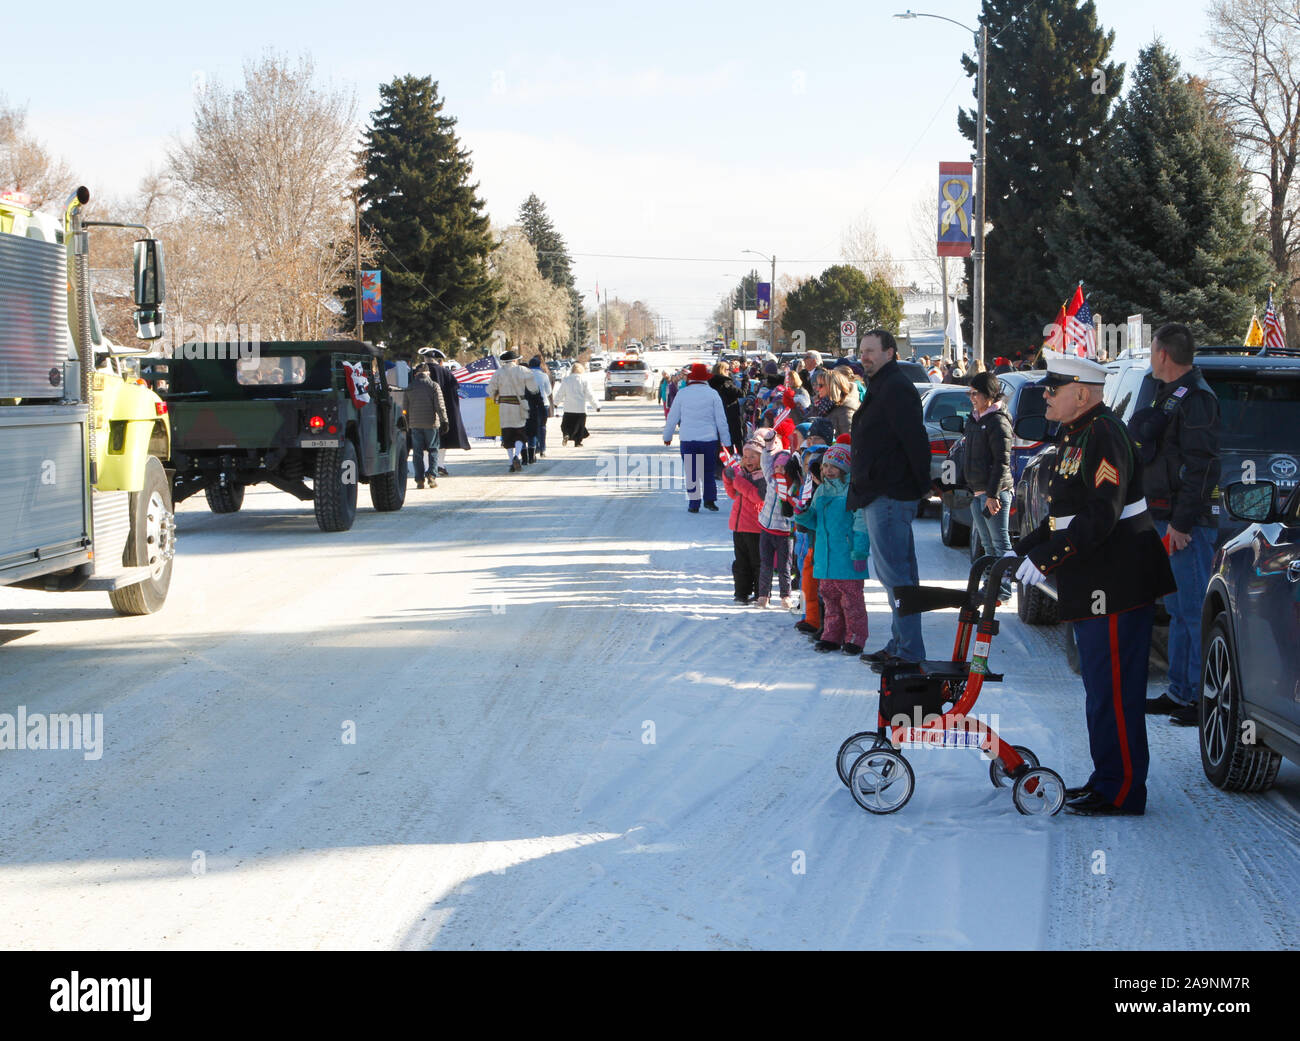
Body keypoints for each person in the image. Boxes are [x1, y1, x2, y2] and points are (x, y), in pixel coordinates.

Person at [1012, 351, 1176, 816]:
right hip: (1097, 583)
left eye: (1053, 388)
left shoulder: (1103, 433)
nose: (1044, 395)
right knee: (1100, 689)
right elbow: (1066, 516)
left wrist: (1049, 557)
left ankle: (1123, 791)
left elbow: (1101, 513)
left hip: (1117, 583)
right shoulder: (1077, 434)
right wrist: (1024, 549)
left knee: (1116, 692)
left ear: (1081, 394)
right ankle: (1107, 779)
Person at [1130, 322, 1220, 726]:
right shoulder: (1168, 393)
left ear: (1163, 354)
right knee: (1177, 608)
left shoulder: (1197, 398)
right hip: (1164, 516)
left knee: (1192, 611)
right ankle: (1180, 690)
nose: (1151, 357)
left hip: (1186, 524)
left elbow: (1203, 466)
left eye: (1152, 351)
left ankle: (1201, 699)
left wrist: (1182, 523)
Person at [847, 329, 931, 664]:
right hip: (880, 494)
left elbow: (915, 440)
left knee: (897, 576)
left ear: (890, 353)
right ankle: (901, 644)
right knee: (897, 576)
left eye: (870, 351)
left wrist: (920, 485)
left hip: (890, 494)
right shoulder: (882, 385)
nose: (864, 356)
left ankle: (909, 651)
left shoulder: (896, 387)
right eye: (862, 350)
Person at [796, 443, 870, 655]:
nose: (828, 470)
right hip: (825, 559)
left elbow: (861, 524)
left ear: (846, 468)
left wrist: (860, 551)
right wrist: (802, 514)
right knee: (830, 601)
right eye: (826, 466)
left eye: (834, 466)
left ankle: (855, 638)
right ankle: (832, 635)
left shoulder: (852, 493)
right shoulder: (821, 492)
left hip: (846, 558)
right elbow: (815, 522)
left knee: (852, 602)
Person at [963, 371, 1015, 600]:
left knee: (999, 543)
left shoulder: (997, 421)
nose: (972, 397)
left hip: (995, 493)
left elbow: (1001, 462)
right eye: (970, 393)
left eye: (975, 393)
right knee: (987, 545)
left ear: (989, 394)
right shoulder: (975, 419)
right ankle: (990, 586)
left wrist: (993, 495)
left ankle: (1002, 591)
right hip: (977, 492)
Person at [663, 362, 730, 512]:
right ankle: (710, 500)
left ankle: (694, 504)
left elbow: (672, 417)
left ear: (691, 378)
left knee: (692, 472)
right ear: (706, 378)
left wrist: (667, 436)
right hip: (709, 439)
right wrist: (726, 441)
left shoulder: (682, 394)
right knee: (708, 471)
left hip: (688, 439)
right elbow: (721, 420)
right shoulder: (713, 394)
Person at [753, 427, 796, 608]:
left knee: (785, 566)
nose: (778, 469)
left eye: (783, 467)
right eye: (777, 466)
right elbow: (765, 462)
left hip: (784, 532)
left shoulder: (794, 486)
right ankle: (763, 595)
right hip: (766, 528)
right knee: (766, 564)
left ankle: (785, 595)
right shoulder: (771, 479)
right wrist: (769, 444)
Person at [721, 440, 767, 603]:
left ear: (762, 458)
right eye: (746, 456)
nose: (748, 460)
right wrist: (728, 478)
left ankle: (761, 593)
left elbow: (756, 496)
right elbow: (734, 494)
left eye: (753, 457)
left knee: (757, 562)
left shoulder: (763, 477)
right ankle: (741, 591)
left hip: (755, 527)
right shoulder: (742, 474)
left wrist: (738, 481)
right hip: (738, 526)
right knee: (741, 562)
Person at [420, 348, 468, 476]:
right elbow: (454, 391)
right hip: (442, 412)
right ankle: (440, 465)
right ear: (437, 359)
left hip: (422, 411)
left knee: (424, 441)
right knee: (443, 439)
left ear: (424, 358)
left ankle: (426, 468)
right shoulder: (445, 373)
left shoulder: (418, 372)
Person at [485, 349, 532, 472]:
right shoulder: (523, 370)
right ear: (515, 360)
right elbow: (533, 388)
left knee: (508, 434)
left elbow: (490, 390)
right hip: (519, 404)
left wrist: (496, 396)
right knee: (520, 433)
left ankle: (511, 461)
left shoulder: (498, 373)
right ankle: (517, 455)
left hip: (504, 405)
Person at [405, 363, 448, 490]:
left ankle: (419, 479)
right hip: (431, 423)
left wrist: (406, 424)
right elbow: (440, 406)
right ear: (428, 373)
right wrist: (444, 421)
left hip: (414, 424)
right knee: (433, 450)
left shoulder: (410, 387)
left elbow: (404, 409)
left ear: (416, 374)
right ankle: (431, 476)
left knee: (417, 453)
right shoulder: (434, 386)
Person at [555, 361, 600, 447]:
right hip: (580, 409)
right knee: (580, 427)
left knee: (566, 425)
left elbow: (560, 393)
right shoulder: (584, 380)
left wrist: (556, 403)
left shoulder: (566, 380)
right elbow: (590, 394)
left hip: (568, 409)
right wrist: (596, 406)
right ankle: (577, 442)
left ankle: (566, 434)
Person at [710, 363, 743, 452]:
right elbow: (741, 393)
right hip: (729, 417)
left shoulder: (685, 393)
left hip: (692, 438)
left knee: (696, 463)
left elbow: (674, 415)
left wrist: (667, 436)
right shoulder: (725, 383)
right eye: (728, 370)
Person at [824, 368, 860, 439]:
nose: (817, 388)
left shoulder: (845, 409)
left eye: (821, 385)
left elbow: (850, 439)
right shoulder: (823, 405)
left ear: (832, 388)